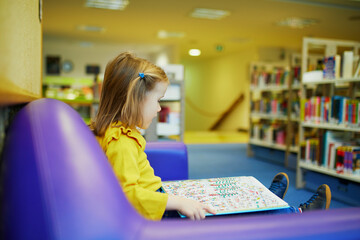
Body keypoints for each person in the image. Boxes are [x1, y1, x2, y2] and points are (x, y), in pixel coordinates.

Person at [90, 52, 331, 221]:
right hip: (164, 212)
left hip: (162, 200)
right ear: (134, 99)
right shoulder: (120, 142)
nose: (159, 109)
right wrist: (178, 202)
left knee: (224, 190)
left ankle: (266, 201)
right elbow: (127, 195)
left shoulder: (119, 132)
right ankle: (292, 215)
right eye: (157, 100)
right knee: (221, 209)